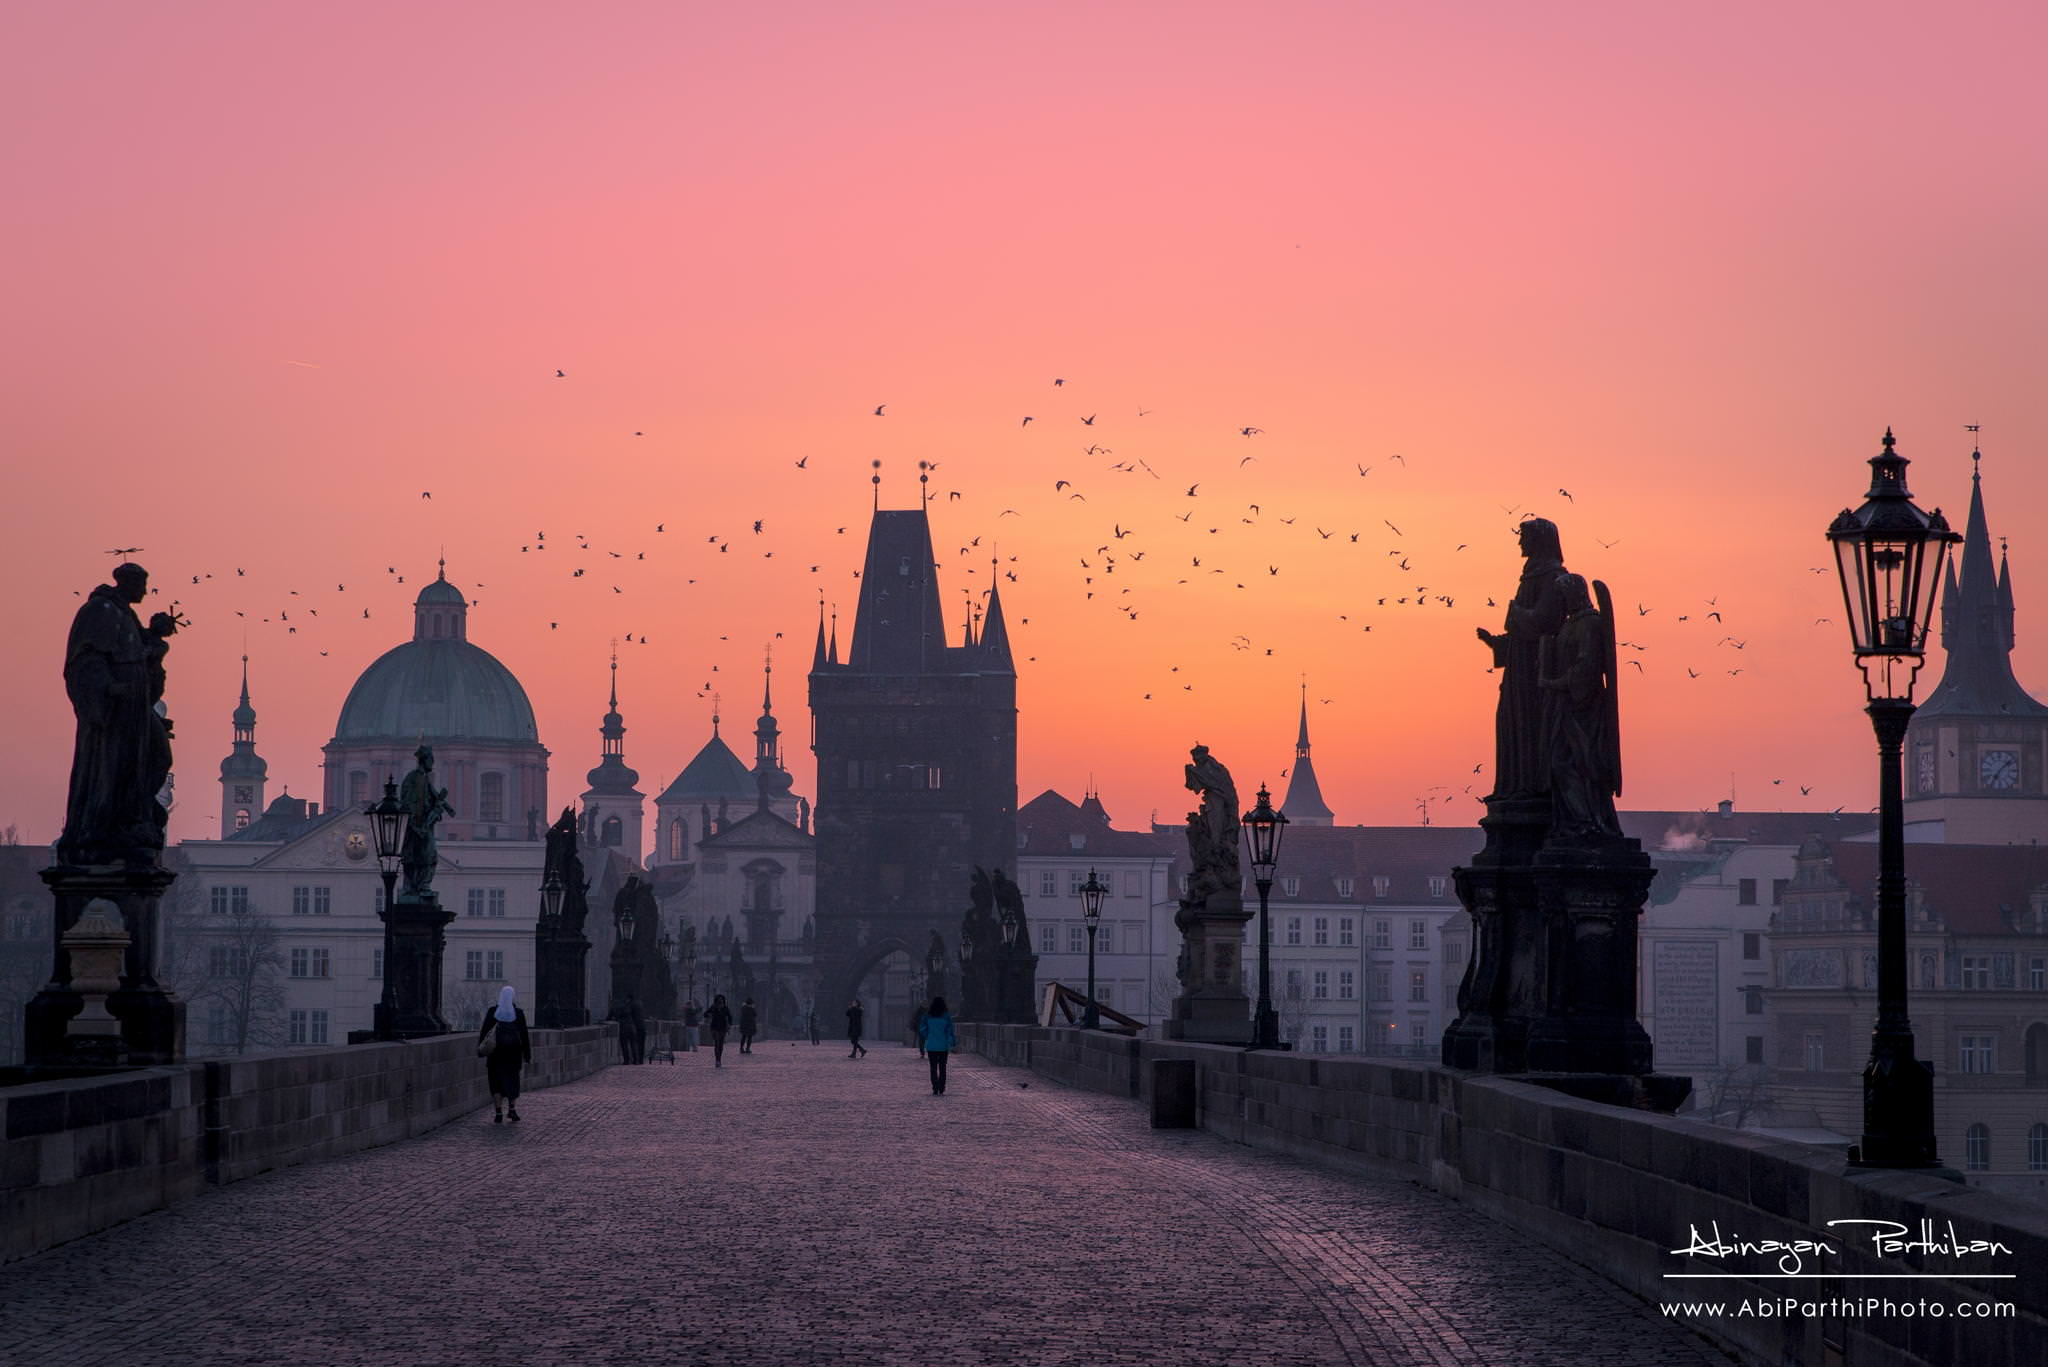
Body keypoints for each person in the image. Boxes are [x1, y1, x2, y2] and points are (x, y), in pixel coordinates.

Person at [478, 985, 532, 1124]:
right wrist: (527, 1055)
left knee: (496, 1083)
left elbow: (485, 1033)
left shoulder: (492, 1012)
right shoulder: (518, 1013)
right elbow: (524, 1036)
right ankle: (512, 1110)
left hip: (496, 1055)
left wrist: (480, 1050)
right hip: (513, 1054)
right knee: (512, 1082)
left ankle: (498, 1112)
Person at [920, 996, 956, 1095]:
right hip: (943, 1046)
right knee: (943, 1067)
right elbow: (950, 1031)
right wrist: (952, 1041)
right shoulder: (946, 1016)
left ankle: (935, 1087)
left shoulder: (927, 1016)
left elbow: (922, 1029)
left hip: (931, 1045)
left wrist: (928, 1035)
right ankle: (941, 1087)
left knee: (933, 1068)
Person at [704, 993, 734, 1067]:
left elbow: (730, 1017)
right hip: (714, 1028)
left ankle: (719, 1059)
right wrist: (709, 1015)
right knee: (717, 1043)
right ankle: (717, 1060)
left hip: (722, 1028)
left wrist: (729, 1024)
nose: (720, 1003)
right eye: (719, 1001)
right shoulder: (713, 1007)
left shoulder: (725, 1008)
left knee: (720, 1044)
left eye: (721, 1001)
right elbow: (705, 1014)